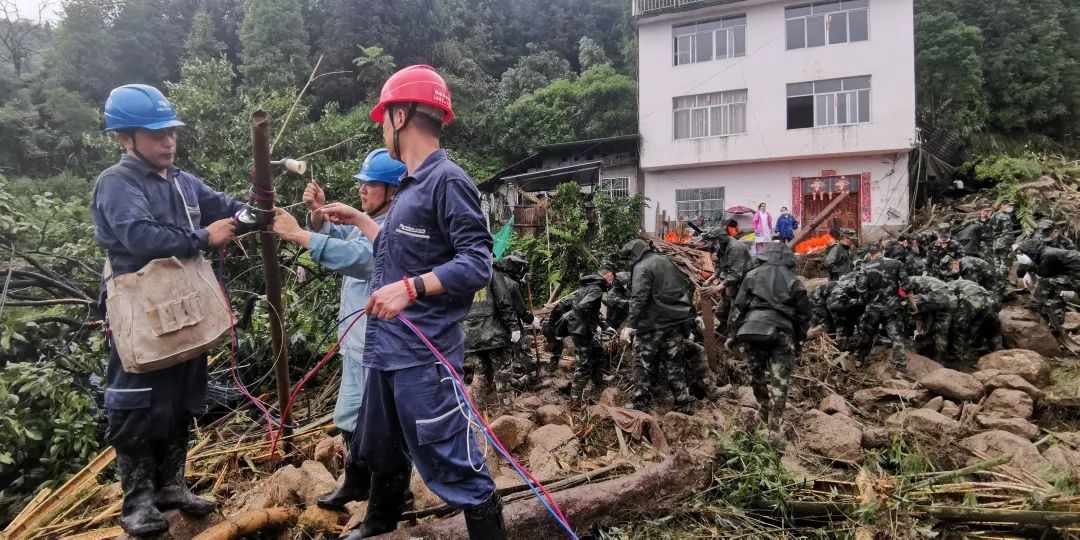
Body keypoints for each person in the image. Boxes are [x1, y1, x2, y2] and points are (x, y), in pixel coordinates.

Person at [319, 65, 505, 539]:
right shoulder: (409, 187)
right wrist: (360, 218)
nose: (384, 126)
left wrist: (411, 288)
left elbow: (477, 263)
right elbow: (399, 248)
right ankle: (379, 526)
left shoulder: (448, 180)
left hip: (425, 357)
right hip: (386, 350)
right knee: (381, 446)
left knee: (454, 464)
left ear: (399, 116)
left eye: (385, 117)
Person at [92, 84, 241, 535]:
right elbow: (140, 236)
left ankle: (171, 485)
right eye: (155, 134)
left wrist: (260, 212)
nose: (167, 142)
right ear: (125, 138)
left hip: (185, 307)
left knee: (182, 394)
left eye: (170, 132)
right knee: (136, 399)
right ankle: (138, 500)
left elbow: (225, 209)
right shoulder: (118, 183)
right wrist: (203, 238)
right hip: (140, 309)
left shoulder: (181, 181)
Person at [270, 148, 408, 511]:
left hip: (378, 343)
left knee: (378, 427)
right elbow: (344, 239)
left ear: (392, 189)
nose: (363, 191)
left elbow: (362, 259)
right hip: (356, 340)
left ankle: (391, 493)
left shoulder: (396, 223)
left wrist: (299, 235)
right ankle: (357, 480)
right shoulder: (370, 219)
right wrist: (318, 214)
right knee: (349, 416)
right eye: (361, 184)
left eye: (370, 185)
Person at [729, 243, 811, 432]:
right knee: (779, 381)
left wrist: (733, 335)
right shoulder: (795, 281)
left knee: (756, 375)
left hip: (753, 331)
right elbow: (804, 316)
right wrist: (799, 342)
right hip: (782, 334)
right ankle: (775, 423)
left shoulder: (752, 275)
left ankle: (763, 411)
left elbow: (738, 308)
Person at [618, 239, 699, 413]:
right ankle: (683, 404)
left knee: (642, 362)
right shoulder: (666, 262)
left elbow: (639, 298)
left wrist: (630, 325)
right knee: (674, 364)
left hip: (652, 325)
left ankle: (641, 402)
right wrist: (690, 317)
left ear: (634, 255)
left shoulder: (642, 267)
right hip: (675, 323)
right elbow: (683, 290)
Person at [461, 255, 526, 405]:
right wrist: (514, 326)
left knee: (481, 371)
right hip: (493, 335)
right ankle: (508, 410)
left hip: (471, 336)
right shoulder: (492, 274)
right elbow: (504, 302)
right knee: (502, 372)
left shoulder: (463, 275)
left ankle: (479, 411)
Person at [852, 244, 909, 373]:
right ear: (882, 251)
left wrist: (867, 300)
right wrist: (901, 299)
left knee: (866, 335)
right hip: (892, 308)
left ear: (870, 254)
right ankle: (901, 366)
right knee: (896, 337)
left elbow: (860, 287)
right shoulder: (897, 263)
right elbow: (906, 285)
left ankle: (859, 360)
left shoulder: (866, 266)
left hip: (873, 308)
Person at [496, 254, 545, 390]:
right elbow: (520, 309)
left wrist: (522, 282)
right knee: (523, 350)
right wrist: (531, 319)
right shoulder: (512, 285)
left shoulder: (497, 279)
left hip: (497, 324)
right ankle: (533, 380)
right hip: (512, 324)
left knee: (505, 353)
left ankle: (509, 379)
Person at [1015, 238, 1080, 340]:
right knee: (1053, 293)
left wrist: (1030, 265)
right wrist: (1027, 270)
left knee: (1048, 283)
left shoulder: (1048, 255)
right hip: (1071, 274)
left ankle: (1036, 307)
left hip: (1076, 277)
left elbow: (1044, 273)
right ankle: (1052, 320)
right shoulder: (1044, 253)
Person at [565, 270, 611, 408]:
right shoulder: (596, 289)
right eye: (612, 277)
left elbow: (592, 310)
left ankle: (598, 383)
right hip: (582, 331)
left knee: (598, 351)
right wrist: (593, 325)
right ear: (608, 275)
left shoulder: (586, 287)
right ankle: (575, 402)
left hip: (579, 327)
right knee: (584, 365)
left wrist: (604, 326)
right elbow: (583, 307)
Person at [702, 227, 753, 337]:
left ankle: (736, 340)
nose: (714, 245)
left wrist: (716, 288)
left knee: (734, 317)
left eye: (715, 241)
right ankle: (726, 335)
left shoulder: (735, 248)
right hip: (729, 282)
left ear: (722, 239)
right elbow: (722, 267)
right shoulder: (722, 247)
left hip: (742, 283)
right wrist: (709, 280)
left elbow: (735, 275)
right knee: (720, 312)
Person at [947, 279, 1002, 362]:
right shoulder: (960, 282)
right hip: (987, 300)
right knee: (981, 323)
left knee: (960, 327)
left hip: (972, 300)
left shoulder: (946, 288)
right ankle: (997, 350)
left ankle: (956, 355)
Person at [904, 275, 956, 360]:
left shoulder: (905, 282)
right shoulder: (917, 279)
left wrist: (918, 330)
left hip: (937, 296)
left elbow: (916, 308)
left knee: (907, 303)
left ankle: (917, 341)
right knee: (942, 331)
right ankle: (938, 359)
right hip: (951, 300)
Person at [541, 294, 575, 373]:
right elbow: (556, 323)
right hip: (552, 329)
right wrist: (558, 335)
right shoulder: (561, 309)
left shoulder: (565, 305)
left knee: (561, 347)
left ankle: (554, 366)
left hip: (556, 328)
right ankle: (552, 368)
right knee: (557, 348)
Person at [600, 261, 631, 330]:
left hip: (624, 319)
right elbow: (618, 303)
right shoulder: (612, 293)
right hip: (614, 323)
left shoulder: (624, 289)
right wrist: (632, 302)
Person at [989, 199, 1019, 271]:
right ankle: (1004, 279)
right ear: (1002, 205)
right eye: (1009, 205)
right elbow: (1007, 233)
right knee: (1005, 263)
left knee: (997, 263)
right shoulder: (1005, 217)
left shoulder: (994, 215)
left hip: (996, 242)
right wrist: (1012, 244)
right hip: (1004, 243)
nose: (1011, 207)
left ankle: (997, 279)